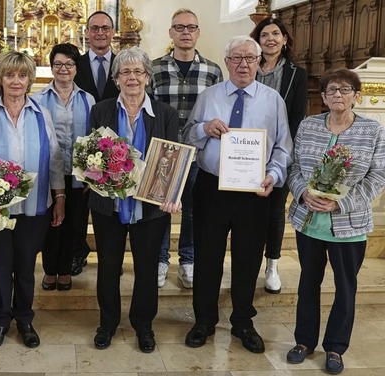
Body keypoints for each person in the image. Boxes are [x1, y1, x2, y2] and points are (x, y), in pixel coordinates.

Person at [182, 35, 292, 354]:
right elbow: (188, 136)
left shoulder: (273, 100)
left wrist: (273, 175)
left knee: (247, 258)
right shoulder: (208, 96)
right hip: (212, 187)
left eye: (250, 58)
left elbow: (284, 148)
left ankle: (243, 322)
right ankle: (203, 320)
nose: (243, 64)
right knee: (207, 256)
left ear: (260, 62)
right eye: (236, 58)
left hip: (254, 193)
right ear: (226, 62)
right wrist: (204, 129)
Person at [285, 68, 385, 375]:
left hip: (350, 225)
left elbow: (378, 175)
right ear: (324, 97)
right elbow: (294, 169)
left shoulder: (373, 130)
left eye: (344, 90)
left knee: (345, 288)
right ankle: (304, 341)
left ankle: (335, 347)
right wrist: (303, 194)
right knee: (308, 283)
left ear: (356, 96)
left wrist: (341, 201)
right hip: (310, 222)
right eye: (331, 90)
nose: (337, 95)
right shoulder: (308, 125)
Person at [0, 51, 65, 349]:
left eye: (22, 75)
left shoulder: (42, 114)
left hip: (35, 207)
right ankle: (1, 320)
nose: (16, 81)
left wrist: (59, 197)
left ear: (30, 79)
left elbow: (56, 160)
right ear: (0, 79)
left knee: (24, 266)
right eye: (10, 75)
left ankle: (25, 320)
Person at [88, 47, 181, 354]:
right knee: (108, 267)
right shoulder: (101, 111)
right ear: (116, 79)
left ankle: (144, 326)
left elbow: (173, 161)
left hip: (150, 208)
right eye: (125, 72)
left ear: (147, 77)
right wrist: (100, 173)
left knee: (146, 268)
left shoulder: (165, 114)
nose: (132, 78)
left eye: (138, 72)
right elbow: (91, 157)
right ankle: (107, 324)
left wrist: (173, 195)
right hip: (109, 207)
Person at [150, 8, 223, 288]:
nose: (185, 32)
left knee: (193, 210)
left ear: (198, 33)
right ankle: (159, 260)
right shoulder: (154, 68)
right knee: (161, 208)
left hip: (197, 152)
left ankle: (188, 261)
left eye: (191, 28)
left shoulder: (213, 70)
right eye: (179, 28)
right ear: (171, 33)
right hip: (164, 152)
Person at [250, 17, 308, 294]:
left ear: (285, 39)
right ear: (257, 41)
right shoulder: (247, 67)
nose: (270, 39)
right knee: (247, 210)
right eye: (264, 35)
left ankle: (272, 265)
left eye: (276, 34)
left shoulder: (297, 74)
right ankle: (247, 263)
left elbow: (296, 116)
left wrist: (282, 151)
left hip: (280, 151)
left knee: (274, 211)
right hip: (247, 151)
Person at [32, 43, 95, 291]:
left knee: (74, 224)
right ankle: (50, 270)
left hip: (79, 175)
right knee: (51, 223)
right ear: (51, 67)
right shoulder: (38, 99)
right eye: (58, 64)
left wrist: (92, 176)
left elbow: (94, 137)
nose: (63, 69)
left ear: (76, 68)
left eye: (69, 64)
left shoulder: (87, 99)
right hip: (49, 174)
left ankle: (66, 270)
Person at [71, 10, 120, 276]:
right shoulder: (74, 64)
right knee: (79, 207)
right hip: (84, 145)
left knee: (112, 210)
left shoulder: (124, 65)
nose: (100, 32)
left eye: (105, 28)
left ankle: (111, 261)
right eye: (94, 28)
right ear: (87, 33)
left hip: (119, 150)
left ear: (113, 32)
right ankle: (78, 253)